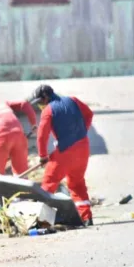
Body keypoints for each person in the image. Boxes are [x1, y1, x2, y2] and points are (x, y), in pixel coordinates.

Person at [32, 84, 94, 226]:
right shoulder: (73, 100)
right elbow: (89, 114)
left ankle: (40, 220)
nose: (40, 105)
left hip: (65, 151)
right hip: (83, 147)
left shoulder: (48, 111)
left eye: (40, 102)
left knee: (48, 184)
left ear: (46, 97)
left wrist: (42, 156)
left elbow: (42, 136)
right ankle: (86, 217)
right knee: (77, 183)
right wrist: (81, 132)